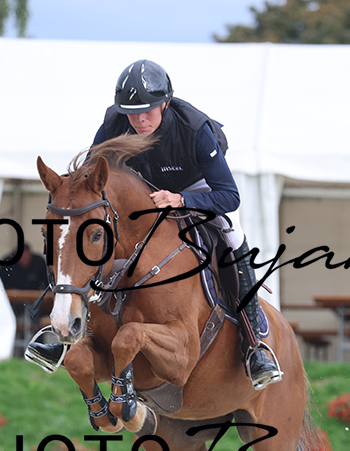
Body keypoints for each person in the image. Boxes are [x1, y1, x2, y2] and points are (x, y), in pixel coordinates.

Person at [28, 59, 281, 390]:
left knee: (234, 237)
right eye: (132, 113)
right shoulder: (114, 122)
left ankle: (254, 345)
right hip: (142, 196)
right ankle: (65, 334)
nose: (139, 120)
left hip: (195, 191)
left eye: (147, 111)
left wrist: (182, 200)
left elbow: (229, 196)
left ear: (165, 102)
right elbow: (87, 178)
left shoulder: (196, 130)